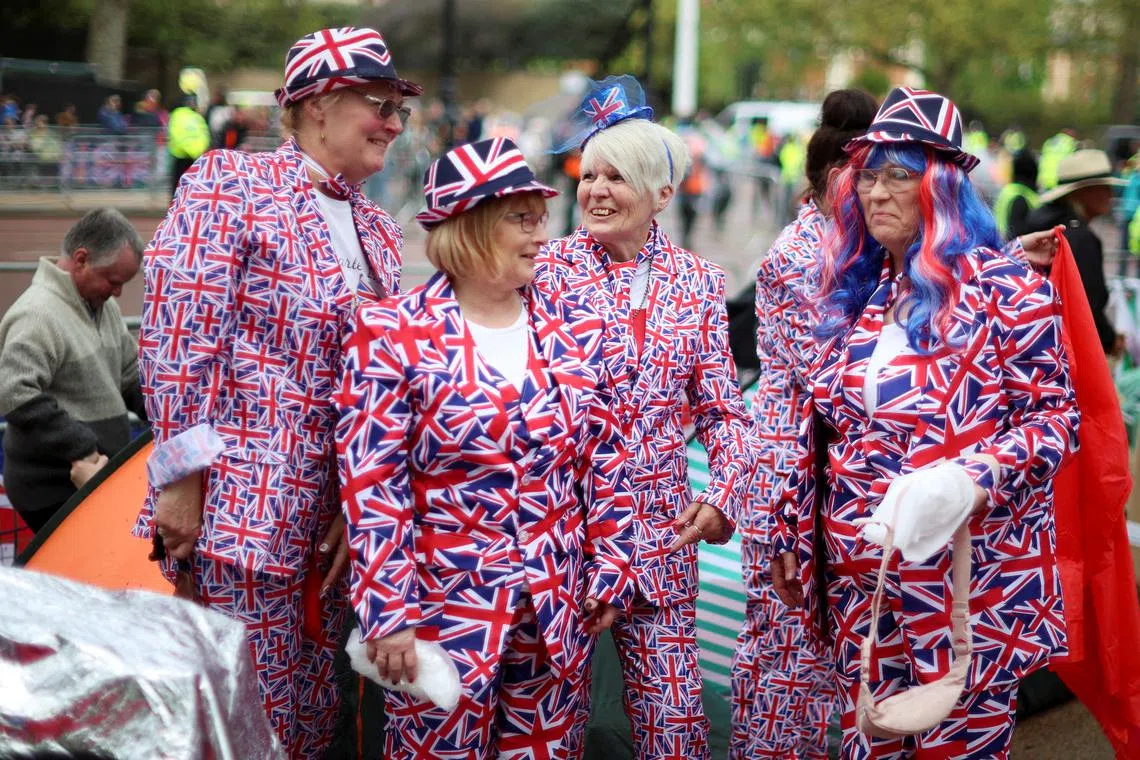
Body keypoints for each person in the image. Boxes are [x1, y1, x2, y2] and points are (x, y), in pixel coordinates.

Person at [131, 26, 419, 758]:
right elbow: (177, 338)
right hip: (244, 519)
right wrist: (180, 481)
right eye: (379, 104)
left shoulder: (379, 229)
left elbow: (382, 384)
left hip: (336, 532)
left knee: (313, 720)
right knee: (246, 721)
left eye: (399, 110)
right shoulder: (233, 183)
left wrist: (364, 512)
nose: (393, 123)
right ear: (318, 104)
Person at [770, 87, 1079, 759]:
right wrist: (792, 531)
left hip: (968, 595)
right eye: (869, 175)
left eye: (898, 175)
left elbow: (1056, 422)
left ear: (941, 188)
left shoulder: (1009, 291)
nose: (875, 192)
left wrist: (968, 481)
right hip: (866, 593)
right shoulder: (856, 295)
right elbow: (819, 427)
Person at [337, 135, 634, 758]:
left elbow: (605, 461)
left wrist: (612, 567)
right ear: (470, 227)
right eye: (520, 219)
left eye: (540, 218)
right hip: (440, 620)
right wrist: (389, 612)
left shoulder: (574, 333)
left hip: (556, 614)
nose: (540, 234)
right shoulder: (391, 333)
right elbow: (373, 486)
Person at [537, 75, 758, 759]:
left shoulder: (697, 281)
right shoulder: (543, 271)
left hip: (663, 536)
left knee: (676, 723)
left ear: (662, 194)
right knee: (552, 721)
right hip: (563, 537)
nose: (596, 190)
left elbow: (724, 410)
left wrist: (723, 498)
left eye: (617, 177)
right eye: (589, 173)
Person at [731, 88, 878, 760]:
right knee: (783, 656)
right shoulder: (802, 254)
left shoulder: (852, 248)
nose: (874, 198)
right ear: (825, 184)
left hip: (828, 472)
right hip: (794, 470)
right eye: (863, 183)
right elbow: (829, 379)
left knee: (820, 656)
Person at [0, 209, 146, 533]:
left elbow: (129, 372)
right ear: (81, 260)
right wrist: (83, 447)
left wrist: (166, 414)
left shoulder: (101, 306)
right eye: (113, 281)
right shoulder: (38, 314)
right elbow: (13, 392)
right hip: (53, 488)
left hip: (93, 477)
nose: (118, 292)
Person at [1024, 149, 1126, 355]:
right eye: (1103, 188)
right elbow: (1087, 307)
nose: (1111, 195)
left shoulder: (1042, 225)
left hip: (1035, 343)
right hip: (1067, 352)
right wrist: (1110, 340)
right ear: (1082, 193)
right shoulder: (1080, 238)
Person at [165, 94, 210, 196]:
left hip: (181, 155)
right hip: (193, 157)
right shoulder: (197, 117)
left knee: (178, 186)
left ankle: (175, 207)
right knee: (190, 186)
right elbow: (204, 135)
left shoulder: (177, 115)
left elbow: (176, 135)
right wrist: (197, 151)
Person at [993, 149, 1039, 240]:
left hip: (999, 244)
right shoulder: (1022, 196)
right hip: (1014, 249)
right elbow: (1017, 233)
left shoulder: (1008, 190)